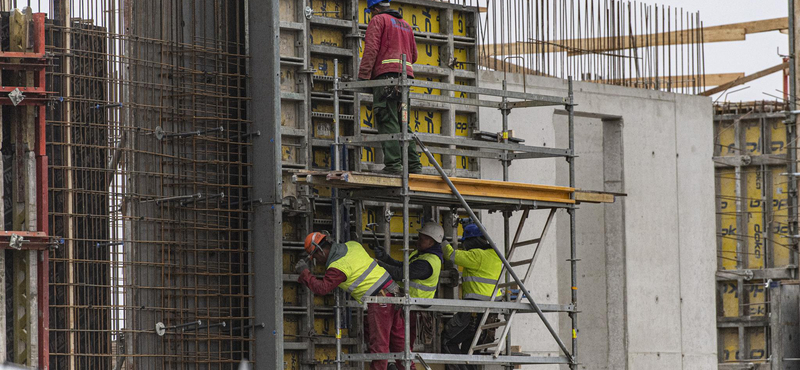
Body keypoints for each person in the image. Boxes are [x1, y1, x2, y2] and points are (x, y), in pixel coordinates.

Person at [295, 231, 405, 370]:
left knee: (379, 346)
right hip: (394, 293)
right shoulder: (353, 245)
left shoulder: (337, 267)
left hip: (380, 300)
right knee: (400, 344)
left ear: (321, 251)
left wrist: (305, 273)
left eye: (315, 257)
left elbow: (322, 288)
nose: (318, 261)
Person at [358, 0, 423, 175]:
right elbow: (414, 56)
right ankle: (414, 165)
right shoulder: (406, 25)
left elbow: (371, 49)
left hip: (386, 78)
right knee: (403, 120)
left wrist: (363, 76)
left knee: (387, 118)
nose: (371, 14)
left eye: (371, 11)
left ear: (376, 9)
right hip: (405, 78)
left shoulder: (378, 20)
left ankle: (394, 165)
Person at [373, 223, 444, 368]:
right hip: (406, 305)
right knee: (399, 343)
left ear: (431, 241)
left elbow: (401, 273)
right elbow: (402, 266)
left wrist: (379, 264)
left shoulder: (428, 262)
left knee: (403, 346)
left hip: (414, 308)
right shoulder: (422, 255)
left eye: (422, 238)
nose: (417, 240)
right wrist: (386, 259)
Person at [440, 224, 503, 370]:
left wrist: (441, 239)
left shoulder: (477, 255)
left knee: (448, 339)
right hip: (491, 313)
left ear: (472, 241)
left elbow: (451, 255)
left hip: (474, 311)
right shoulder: (497, 256)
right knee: (471, 350)